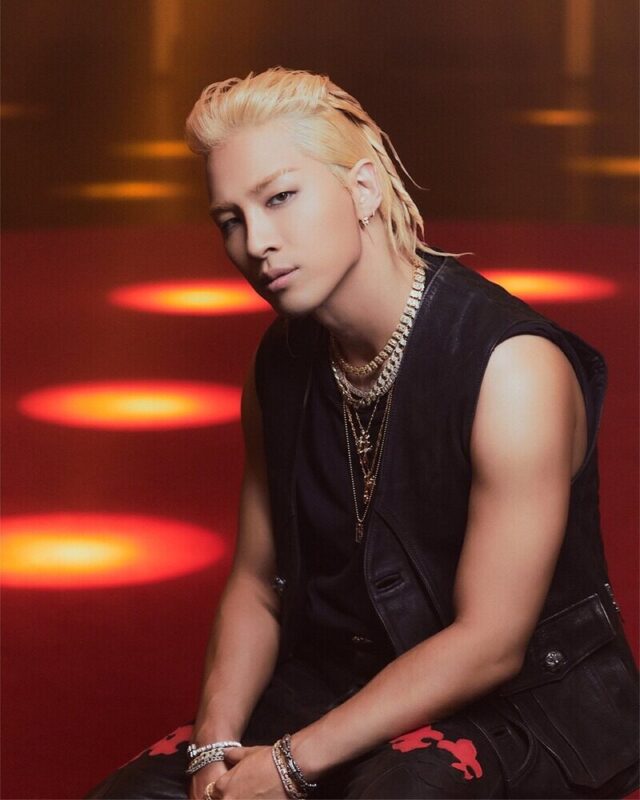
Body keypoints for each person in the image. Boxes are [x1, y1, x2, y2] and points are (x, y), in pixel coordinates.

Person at [86, 67, 638, 800]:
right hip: (339, 683)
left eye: (280, 197)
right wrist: (215, 744)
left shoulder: (510, 367)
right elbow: (259, 583)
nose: (256, 242)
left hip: (524, 706)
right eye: (230, 219)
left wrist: (289, 765)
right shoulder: (281, 363)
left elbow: (491, 643)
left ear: (365, 189)